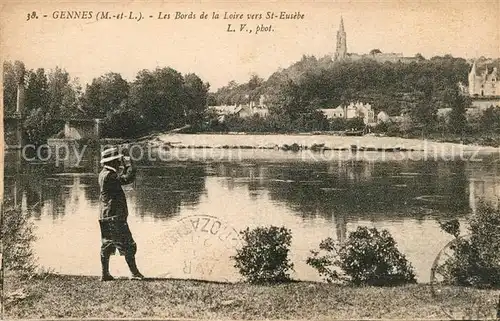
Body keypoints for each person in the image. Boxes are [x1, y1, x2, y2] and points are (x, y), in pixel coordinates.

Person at [98, 146, 144, 281]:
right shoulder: (110, 176)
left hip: (105, 215)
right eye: (118, 160)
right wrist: (130, 164)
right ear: (113, 162)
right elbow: (127, 179)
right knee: (129, 245)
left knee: (107, 244)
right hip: (115, 217)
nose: (119, 162)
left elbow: (120, 177)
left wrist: (124, 166)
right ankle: (135, 273)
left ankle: (105, 274)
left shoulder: (103, 174)